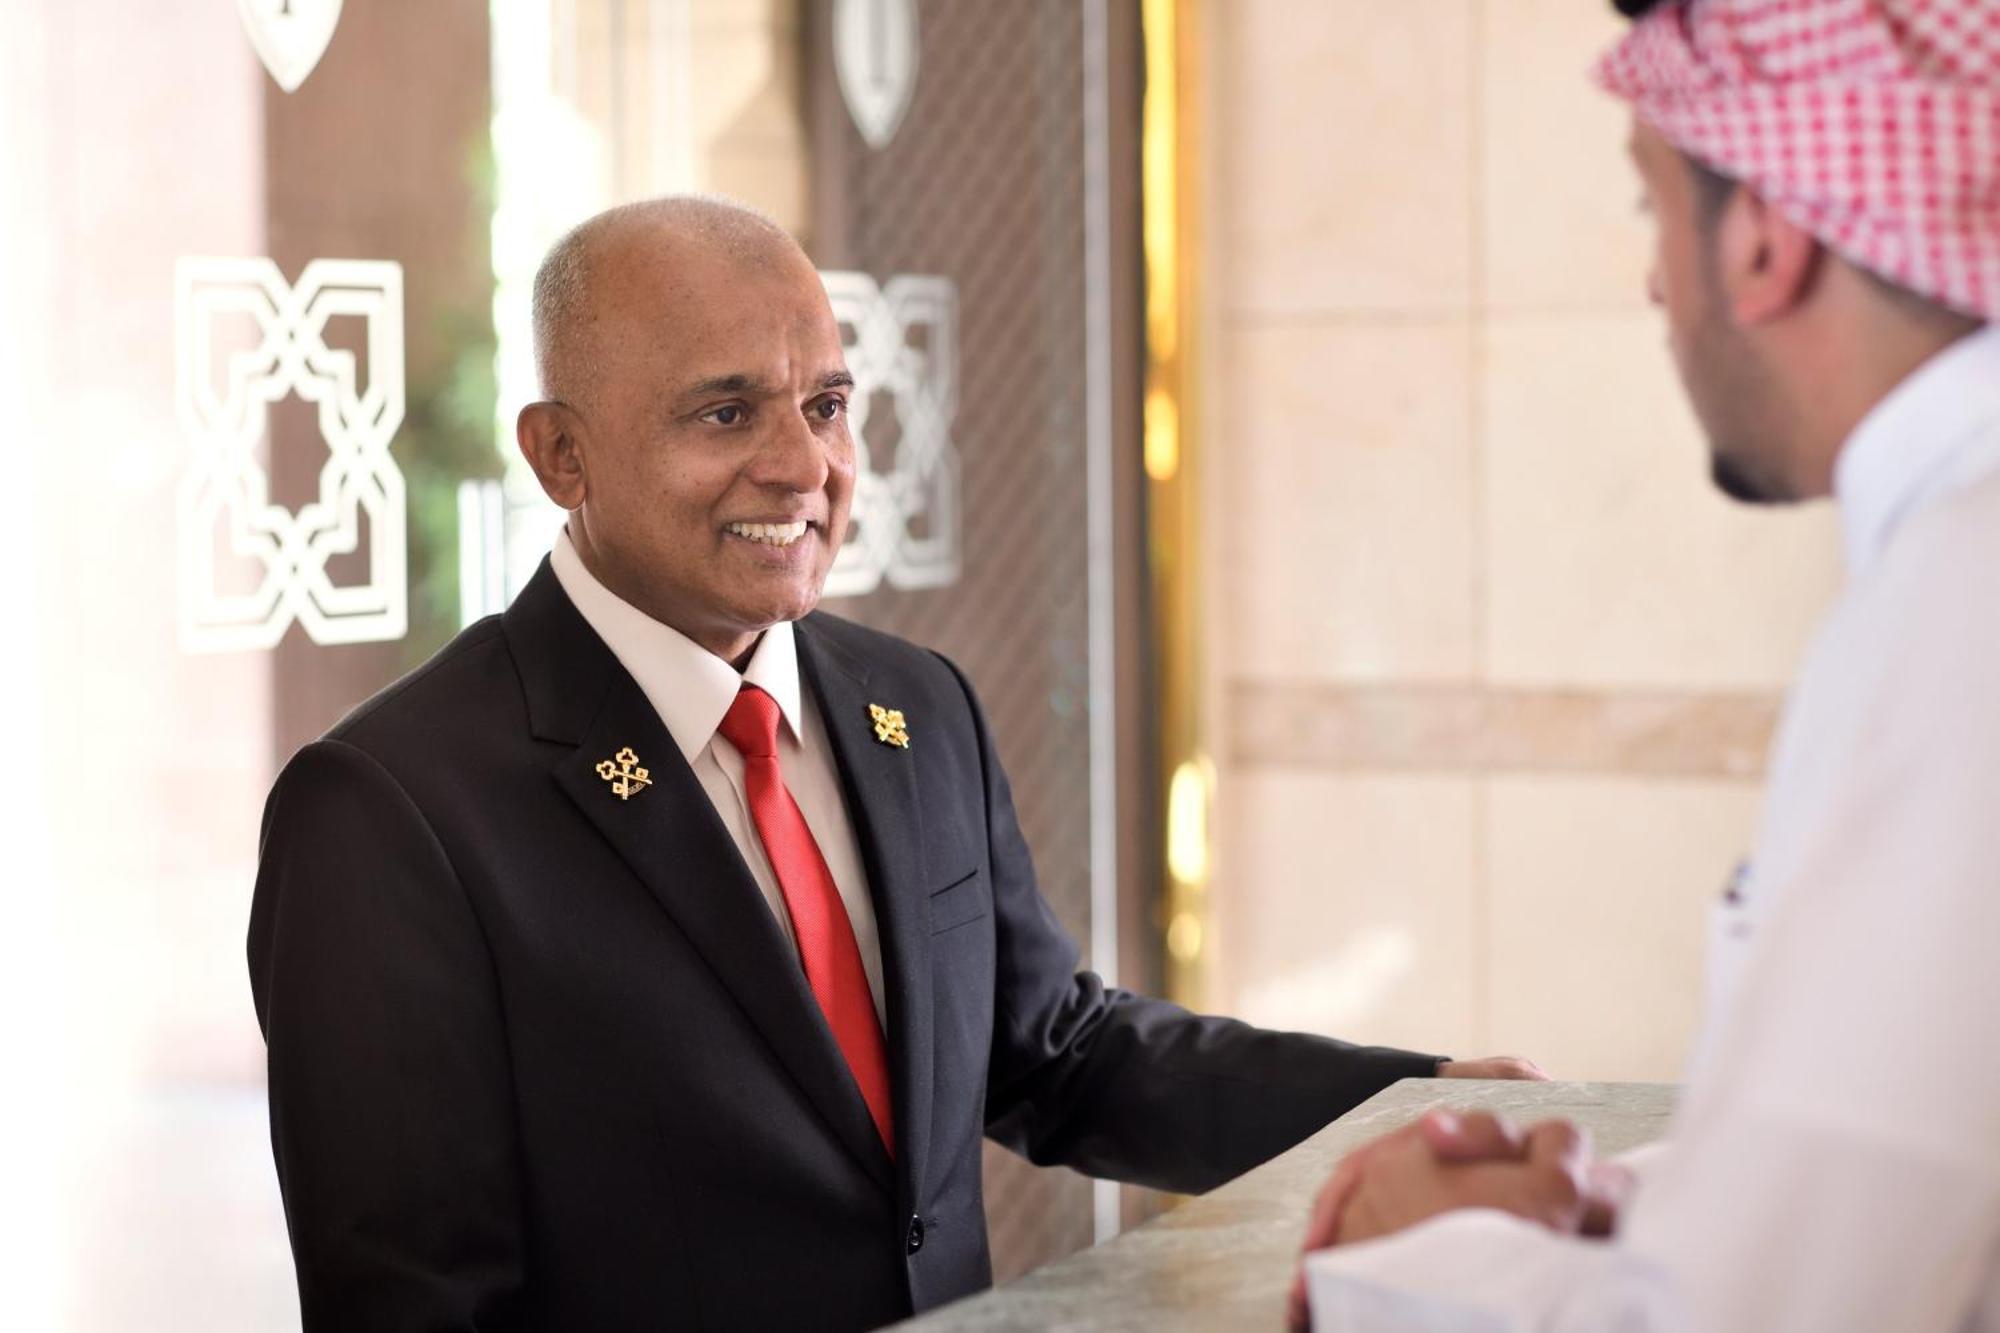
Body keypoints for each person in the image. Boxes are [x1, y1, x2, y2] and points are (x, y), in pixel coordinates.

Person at [248, 196, 1537, 1332]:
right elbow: (412, 1307)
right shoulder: (389, 811)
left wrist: (1408, 1106)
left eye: (825, 405)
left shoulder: (913, 704)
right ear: (559, 455)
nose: (805, 466)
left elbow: (1058, 1056)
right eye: (726, 411)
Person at [1292, 0, 2000, 1329]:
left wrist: (1405, 1255)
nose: (1653, 282)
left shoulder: (1963, 604)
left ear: (1766, 242)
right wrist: (1628, 1199)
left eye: (1648, 208)